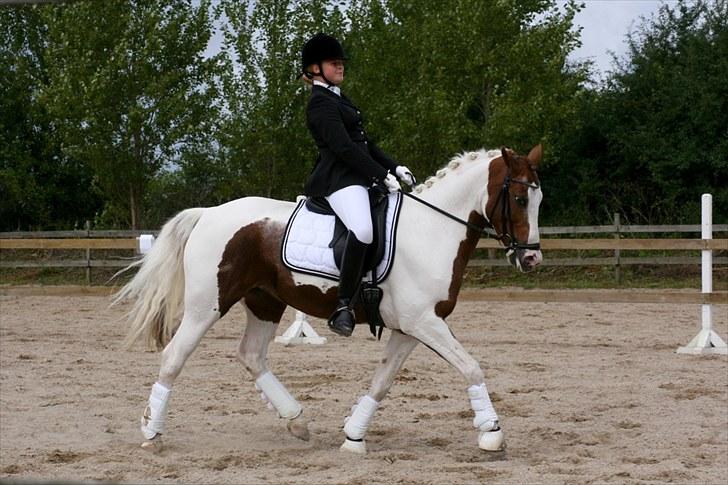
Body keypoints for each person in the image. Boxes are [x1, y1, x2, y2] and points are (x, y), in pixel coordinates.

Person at [301, 33, 416, 337]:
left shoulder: (338, 97)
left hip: (358, 174)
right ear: (315, 69)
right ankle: (343, 305)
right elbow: (344, 149)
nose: (340, 67)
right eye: (333, 63)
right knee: (363, 230)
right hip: (338, 180)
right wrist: (380, 175)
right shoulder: (319, 104)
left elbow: (365, 144)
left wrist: (395, 166)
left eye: (341, 62)